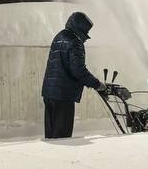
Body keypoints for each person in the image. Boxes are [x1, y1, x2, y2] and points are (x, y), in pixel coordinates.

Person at [41, 11, 104, 139]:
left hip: (49, 93)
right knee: (62, 138)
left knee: (51, 137)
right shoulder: (75, 42)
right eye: (86, 30)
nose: (87, 35)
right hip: (63, 95)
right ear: (80, 28)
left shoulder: (59, 36)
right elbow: (78, 71)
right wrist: (97, 84)